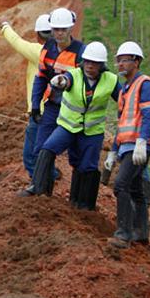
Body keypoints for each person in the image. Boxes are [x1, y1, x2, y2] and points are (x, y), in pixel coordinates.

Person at [22, 41, 118, 210]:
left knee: (87, 166)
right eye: (87, 62)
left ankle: (83, 205)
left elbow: (123, 100)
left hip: (92, 132)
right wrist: (60, 81)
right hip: (68, 126)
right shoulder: (74, 75)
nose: (89, 66)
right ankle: (38, 188)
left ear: (102, 65)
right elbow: (66, 80)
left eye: (94, 63)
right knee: (48, 148)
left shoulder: (111, 80)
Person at [19, 6, 83, 196]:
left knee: (78, 153)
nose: (59, 33)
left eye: (63, 29)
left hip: (73, 111)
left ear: (71, 29)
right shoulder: (48, 48)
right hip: (53, 106)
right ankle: (40, 189)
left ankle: (79, 196)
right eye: (56, 29)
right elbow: (40, 77)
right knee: (41, 147)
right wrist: (36, 104)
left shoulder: (80, 51)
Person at [105, 41, 150, 248]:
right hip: (127, 145)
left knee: (121, 185)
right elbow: (122, 123)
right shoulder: (125, 89)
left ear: (136, 61)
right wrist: (113, 151)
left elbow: (149, 115)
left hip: (138, 146)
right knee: (135, 190)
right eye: (118, 61)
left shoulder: (145, 84)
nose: (120, 64)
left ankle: (123, 234)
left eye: (124, 60)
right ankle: (141, 233)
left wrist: (142, 142)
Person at [0, 12, 52, 179]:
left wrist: (5, 25)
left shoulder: (39, 52)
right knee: (45, 150)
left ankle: (40, 185)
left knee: (31, 156)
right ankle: (50, 177)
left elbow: (16, 42)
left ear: (37, 34)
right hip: (54, 111)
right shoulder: (60, 54)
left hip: (40, 112)